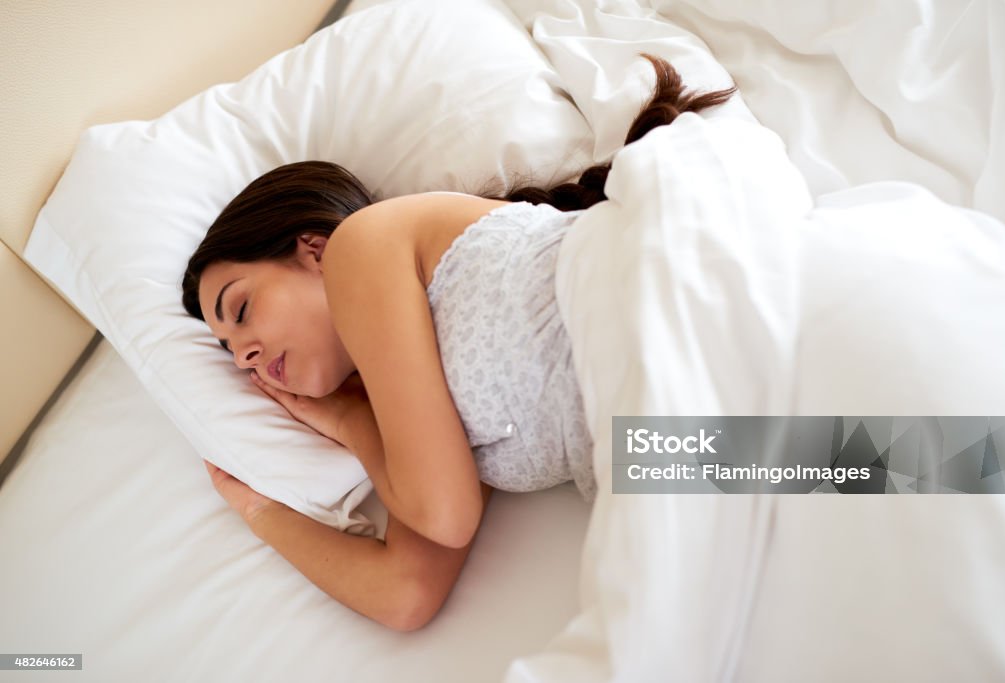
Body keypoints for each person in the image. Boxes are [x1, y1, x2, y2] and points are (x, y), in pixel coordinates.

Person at [181, 55, 735, 631]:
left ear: (314, 251)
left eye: (241, 310)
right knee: (831, 471)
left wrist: (349, 423)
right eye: (227, 348)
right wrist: (258, 509)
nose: (243, 354)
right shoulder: (418, 425)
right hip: (681, 449)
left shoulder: (365, 245)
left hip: (687, 322)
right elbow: (404, 593)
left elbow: (446, 516)